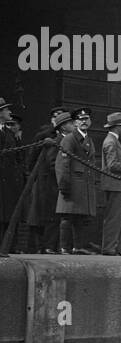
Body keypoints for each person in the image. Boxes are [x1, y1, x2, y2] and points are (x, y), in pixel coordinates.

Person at [26, 108, 70, 253]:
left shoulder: (64, 140)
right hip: (51, 184)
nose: (73, 125)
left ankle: (50, 246)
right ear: (63, 126)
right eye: (70, 123)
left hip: (54, 184)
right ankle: (47, 247)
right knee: (50, 216)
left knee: (54, 216)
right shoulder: (56, 141)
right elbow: (53, 163)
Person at [55, 107, 98, 254]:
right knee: (67, 217)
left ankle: (78, 247)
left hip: (84, 184)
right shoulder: (69, 139)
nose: (84, 122)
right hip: (72, 184)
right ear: (75, 123)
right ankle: (65, 247)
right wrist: (64, 186)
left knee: (80, 218)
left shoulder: (88, 139)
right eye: (81, 119)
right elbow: (62, 164)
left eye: (87, 119)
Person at [99, 112, 121, 255]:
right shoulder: (111, 142)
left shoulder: (113, 140)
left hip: (117, 184)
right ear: (117, 127)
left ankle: (116, 247)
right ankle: (109, 247)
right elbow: (112, 165)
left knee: (118, 217)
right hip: (115, 184)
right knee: (114, 217)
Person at [0, 96, 25, 248]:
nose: (9, 111)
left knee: (6, 214)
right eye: (6, 109)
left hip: (8, 180)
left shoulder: (8, 133)